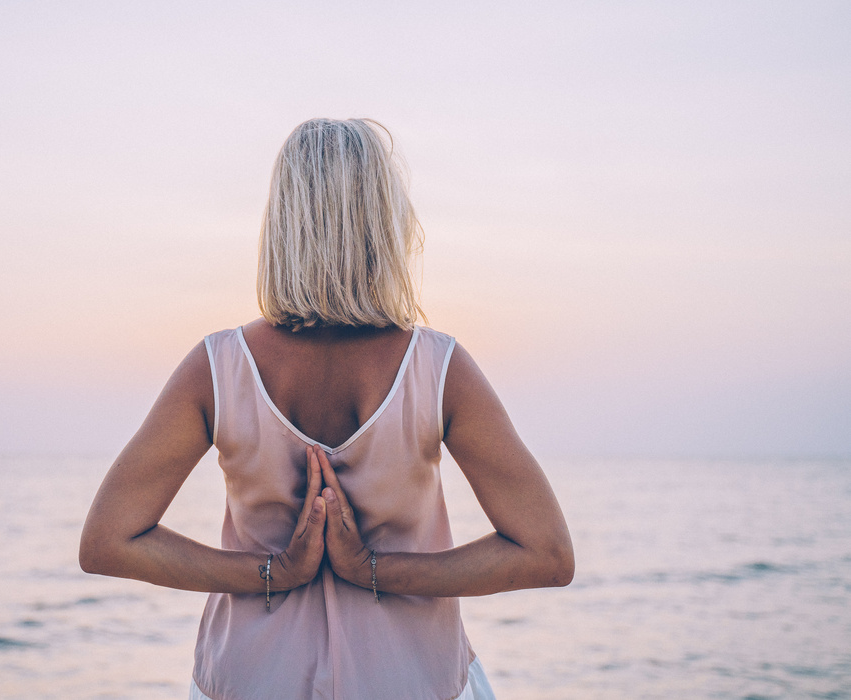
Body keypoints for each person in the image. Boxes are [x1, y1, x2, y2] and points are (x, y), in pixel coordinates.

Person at [79, 118, 574, 699]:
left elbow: (108, 540)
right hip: (409, 680)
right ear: (383, 223)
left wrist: (273, 574)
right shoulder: (437, 368)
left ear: (283, 221)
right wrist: (371, 569)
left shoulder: (218, 366)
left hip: (251, 681)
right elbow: (547, 553)